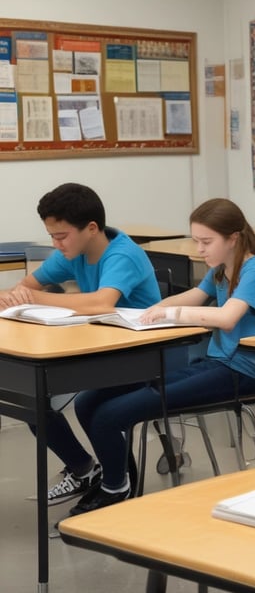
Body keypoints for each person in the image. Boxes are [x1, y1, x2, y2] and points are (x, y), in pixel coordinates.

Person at [67, 198, 255, 514]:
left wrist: (170, 312)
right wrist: (154, 309)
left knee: (108, 416)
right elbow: (196, 296)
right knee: (87, 402)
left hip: (246, 374)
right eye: (197, 240)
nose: (200, 249)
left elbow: (226, 318)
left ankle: (116, 489)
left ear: (234, 238)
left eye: (206, 241)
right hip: (216, 364)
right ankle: (117, 481)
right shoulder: (222, 268)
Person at [0, 182, 161, 507]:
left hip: (145, 356)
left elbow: (103, 303)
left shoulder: (122, 254)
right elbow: (26, 286)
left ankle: (116, 486)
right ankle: (83, 469)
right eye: (51, 236)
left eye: (61, 236)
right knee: (31, 398)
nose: (55, 244)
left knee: (90, 405)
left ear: (90, 228)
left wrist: (33, 296)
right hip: (97, 349)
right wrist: (17, 295)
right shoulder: (74, 253)